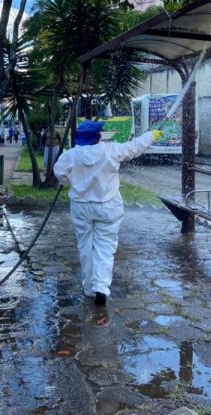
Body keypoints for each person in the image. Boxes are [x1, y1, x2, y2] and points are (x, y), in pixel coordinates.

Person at [53, 120, 162, 306]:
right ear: (98, 137)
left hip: (81, 206)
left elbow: (59, 173)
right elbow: (134, 148)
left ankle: (88, 288)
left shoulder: (70, 155)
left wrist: (73, 181)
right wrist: (152, 135)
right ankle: (101, 288)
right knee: (105, 247)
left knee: (85, 245)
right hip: (108, 206)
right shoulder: (111, 149)